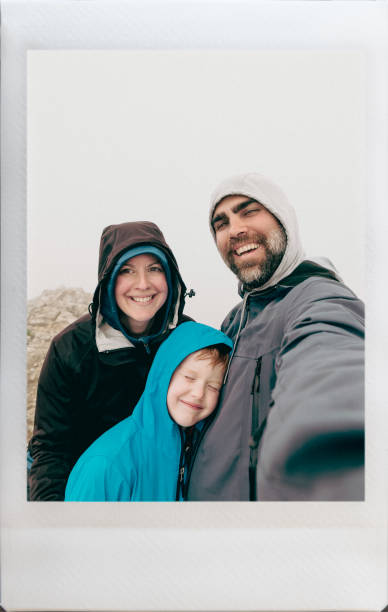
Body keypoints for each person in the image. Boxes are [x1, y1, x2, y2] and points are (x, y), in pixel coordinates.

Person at [187, 172, 365, 501]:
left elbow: (331, 369)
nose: (235, 229)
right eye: (221, 223)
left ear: (284, 220)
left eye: (249, 210)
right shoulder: (233, 321)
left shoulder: (319, 299)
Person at [28, 221, 193, 501]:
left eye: (154, 269)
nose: (143, 284)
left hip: (160, 494)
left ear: (170, 277)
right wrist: (52, 521)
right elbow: (51, 448)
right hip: (90, 494)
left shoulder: (186, 341)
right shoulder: (70, 348)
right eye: (127, 270)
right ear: (109, 280)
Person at [64, 322, 232, 501]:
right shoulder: (107, 464)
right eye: (189, 377)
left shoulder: (196, 452)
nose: (199, 393)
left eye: (213, 387)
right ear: (163, 375)